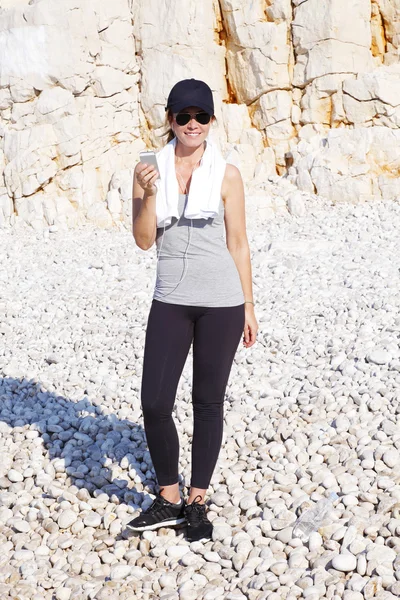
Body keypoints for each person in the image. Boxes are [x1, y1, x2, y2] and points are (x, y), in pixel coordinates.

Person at [127, 79, 258, 542]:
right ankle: (168, 497)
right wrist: (145, 195)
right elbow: (144, 240)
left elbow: (237, 242)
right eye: (183, 116)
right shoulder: (148, 168)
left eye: (201, 116)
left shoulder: (227, 175)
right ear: (170, 120)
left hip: (222, 301)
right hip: (170, 299)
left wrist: (248, 304)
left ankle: (197, 500)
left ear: (210, 121)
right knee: (155, 401)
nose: (192, 125)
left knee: (207, 401)